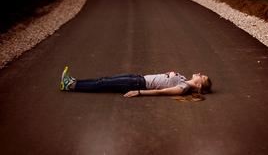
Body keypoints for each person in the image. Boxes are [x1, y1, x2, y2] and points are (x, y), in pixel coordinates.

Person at [60, 66, 212, 98]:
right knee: (104, 80)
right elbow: (163, 80)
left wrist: (138, 92)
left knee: (102, 84)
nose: (200, 73)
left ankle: (70, 85)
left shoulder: (183, 87)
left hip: (137, 84)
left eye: (202, 77)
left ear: (199, 86)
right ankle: (74, 82)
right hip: (138, 78)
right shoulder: (183, 79)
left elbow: (160, 92)